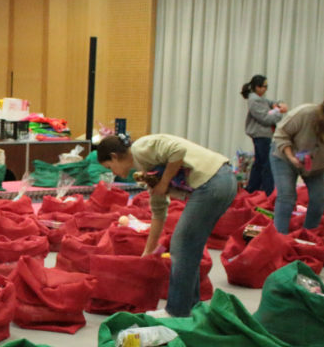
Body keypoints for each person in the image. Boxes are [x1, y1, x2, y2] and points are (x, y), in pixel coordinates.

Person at [97, 134, 236, 317]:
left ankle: (177, 310)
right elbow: (159, 213)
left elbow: (177, 150)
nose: (113, 173)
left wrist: (164, 183)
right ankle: (191, 307)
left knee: (181, 244)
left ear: (114, 156)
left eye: (110, 167)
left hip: (214, 181)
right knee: (190, 247)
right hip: (221, 183)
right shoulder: (147, 171)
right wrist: (148, 251)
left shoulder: (140, 148)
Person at [270, 94, 324, 234]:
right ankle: (279, 236)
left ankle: (308, 235)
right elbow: (281, 133)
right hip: (284, 157)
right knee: (287, 196)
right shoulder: (305, 113)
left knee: (320, 197)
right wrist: (291, 156)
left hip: (316, 166)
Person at [241, 75, 287, 194]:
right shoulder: (254, 100)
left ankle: (253, 188)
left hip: (263, 135)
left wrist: (279, 104)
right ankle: (267, 190)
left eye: (267, 87)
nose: (265, 89)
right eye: (264, 87)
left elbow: (270, 103)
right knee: (267, 163)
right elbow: (265, 118)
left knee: (259, 163)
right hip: (261, 135)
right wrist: (279, 112)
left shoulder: (259, 99)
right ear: (257, 87)